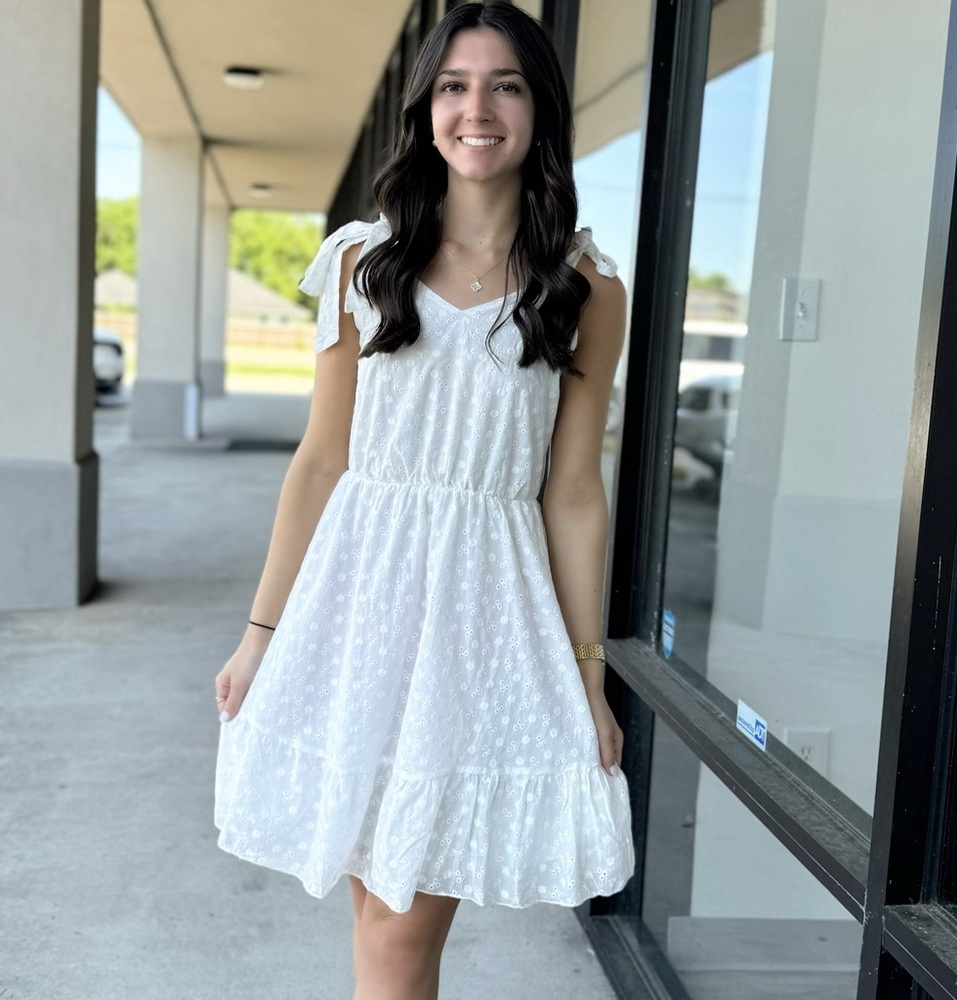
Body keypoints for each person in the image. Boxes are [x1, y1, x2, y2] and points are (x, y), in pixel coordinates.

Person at [214, 2, 634, 997]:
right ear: (427, 110)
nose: (475, 108)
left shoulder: (582, 286)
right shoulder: (365, 261)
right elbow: (320, 462)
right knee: (373, 909)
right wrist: (260, 631)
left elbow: (573, 494)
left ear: (539, 109)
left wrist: (585, 670)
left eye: (504, 85)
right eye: (453, 85)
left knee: (400, 925)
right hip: (353, 611)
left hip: (478, 626)